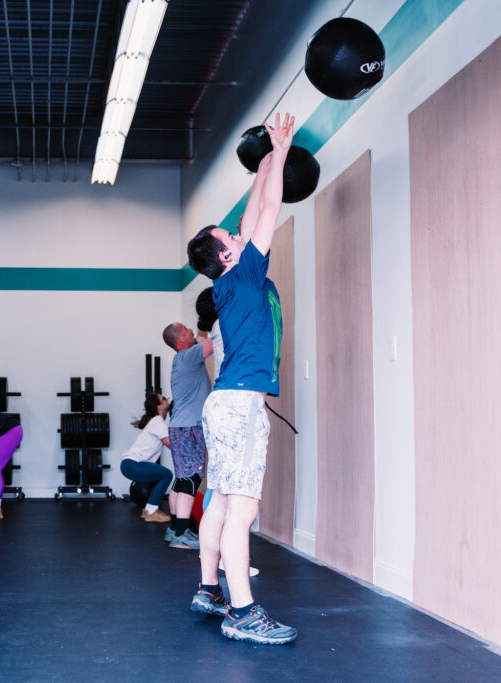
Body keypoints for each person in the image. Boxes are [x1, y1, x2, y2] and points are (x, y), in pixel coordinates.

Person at [184, 113, 297, 645]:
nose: (237, 232)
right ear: (227, 254)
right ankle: (243, 611)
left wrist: (264, 165)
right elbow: (269, 210)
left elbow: (253, 214)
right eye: (229, 235)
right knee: (242, 508)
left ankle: (209, 588)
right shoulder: (244, 272)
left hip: (224, 406)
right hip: (240, 407)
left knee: (223, 501)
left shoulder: (228, 281)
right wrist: (284, 148)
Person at [161, 322, 212, 549]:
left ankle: (175, 530)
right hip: (190, 428)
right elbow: (214, 343)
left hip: (181, 427)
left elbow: (202, 339)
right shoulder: (189, 356)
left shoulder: (182, 359)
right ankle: (182, 534)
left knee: (182, 480)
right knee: (191, 479)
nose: (191, 330)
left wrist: (201, 331)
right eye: (187, 330)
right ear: (179, 340)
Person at [118, 393, 173, 524]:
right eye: (164, 399)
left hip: (130, 465)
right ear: (159, 407)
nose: (167, 400)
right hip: (132, 464)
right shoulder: (157, 422)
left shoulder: (157, 422)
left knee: (161, 476)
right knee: (167, 475)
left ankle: (149, 510)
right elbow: (170, 443)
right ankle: (152, 511)